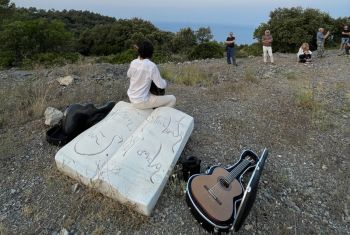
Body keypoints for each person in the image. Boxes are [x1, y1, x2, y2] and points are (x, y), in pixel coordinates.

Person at [127, 40, 176, 109]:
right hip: (141, 101)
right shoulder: (151, 66)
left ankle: (153, 108)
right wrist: (165, 82)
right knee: (172, 99)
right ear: (150, 53)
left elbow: (128, 75)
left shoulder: (133, 62)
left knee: (153, 94)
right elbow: (161, 85)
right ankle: (158, 116)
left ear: (139, 52)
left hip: (131, 97)